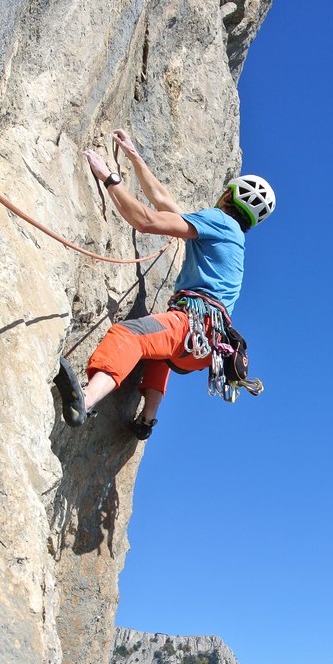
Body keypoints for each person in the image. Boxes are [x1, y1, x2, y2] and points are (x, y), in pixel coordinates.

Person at [53, 129, 275, 438]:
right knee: (158, 353)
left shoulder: (219, 221)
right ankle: (146, 421)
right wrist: (133, 155)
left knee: (128, 334)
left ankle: (85, 401)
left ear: (228, 195)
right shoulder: (233, 237)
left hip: (191, 325)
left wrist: (109, 179)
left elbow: (147, 220)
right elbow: (163, 201)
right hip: (201, 349)